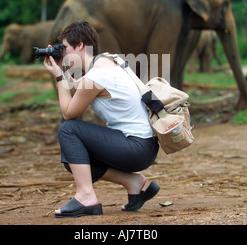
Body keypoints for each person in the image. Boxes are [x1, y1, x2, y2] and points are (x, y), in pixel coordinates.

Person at [44, 20, 160, 218]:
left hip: (135, 147)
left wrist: (58, 77)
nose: (62, 52)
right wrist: (61, 68)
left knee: (68, 129)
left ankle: (86, 197)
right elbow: (77, 87)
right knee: (72, 159)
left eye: (65, 48)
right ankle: (131, 182)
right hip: (144, 146)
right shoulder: (107, 61)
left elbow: (69, 113)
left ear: (80, 45)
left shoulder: (97, 75)